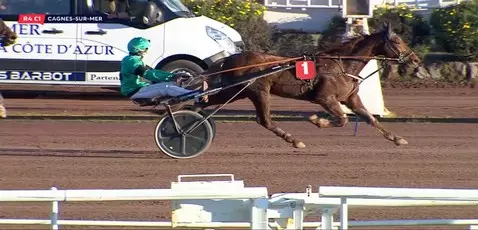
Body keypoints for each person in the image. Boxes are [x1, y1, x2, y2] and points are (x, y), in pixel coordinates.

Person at [120, 37, 208, 105]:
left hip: (140, 88)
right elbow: (149, 74)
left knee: (173, 85)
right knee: (167, 88)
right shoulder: (131, 61)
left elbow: (154, 72)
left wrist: (172, 77)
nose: (148, 50)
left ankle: (189, 95)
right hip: (135, 91)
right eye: (147, 48)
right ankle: (197, 96)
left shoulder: (132, 59)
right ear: (142, 50)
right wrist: (172, 76)